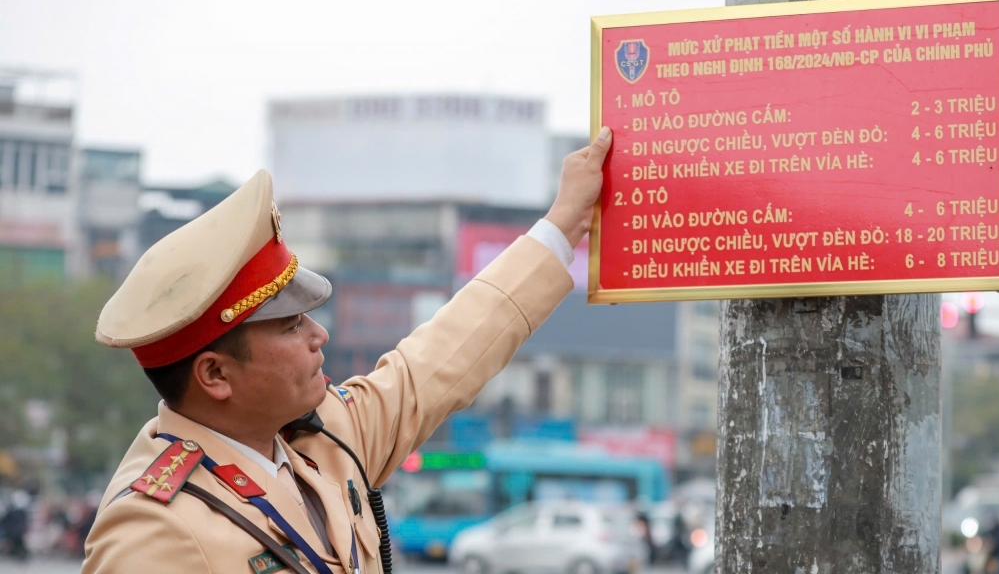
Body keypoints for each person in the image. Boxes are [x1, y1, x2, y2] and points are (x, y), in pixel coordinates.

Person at [82, 128, 613, 573]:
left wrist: (565, 221)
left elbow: (442, 357)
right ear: (216, 374)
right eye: (290, 326)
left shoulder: (321, 437)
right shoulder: (152, 529)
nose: (320, 335)